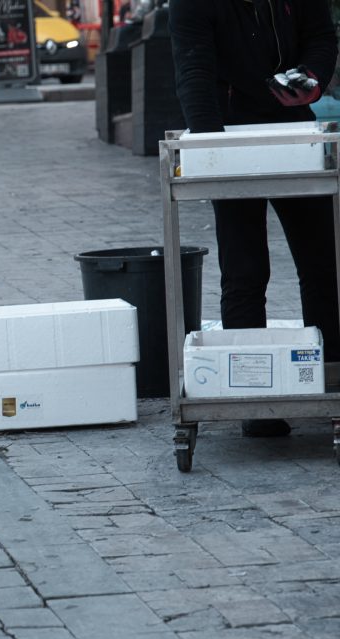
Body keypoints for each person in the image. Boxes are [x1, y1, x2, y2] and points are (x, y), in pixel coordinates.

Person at [170, 0, 340, 437]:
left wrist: (313, 79)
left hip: (292, 127)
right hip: (227, 128)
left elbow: (321, 35)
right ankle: (254, 399)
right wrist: (212, 153)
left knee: (321, 261)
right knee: (244, 267)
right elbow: (194, 70)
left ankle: (330, 379)